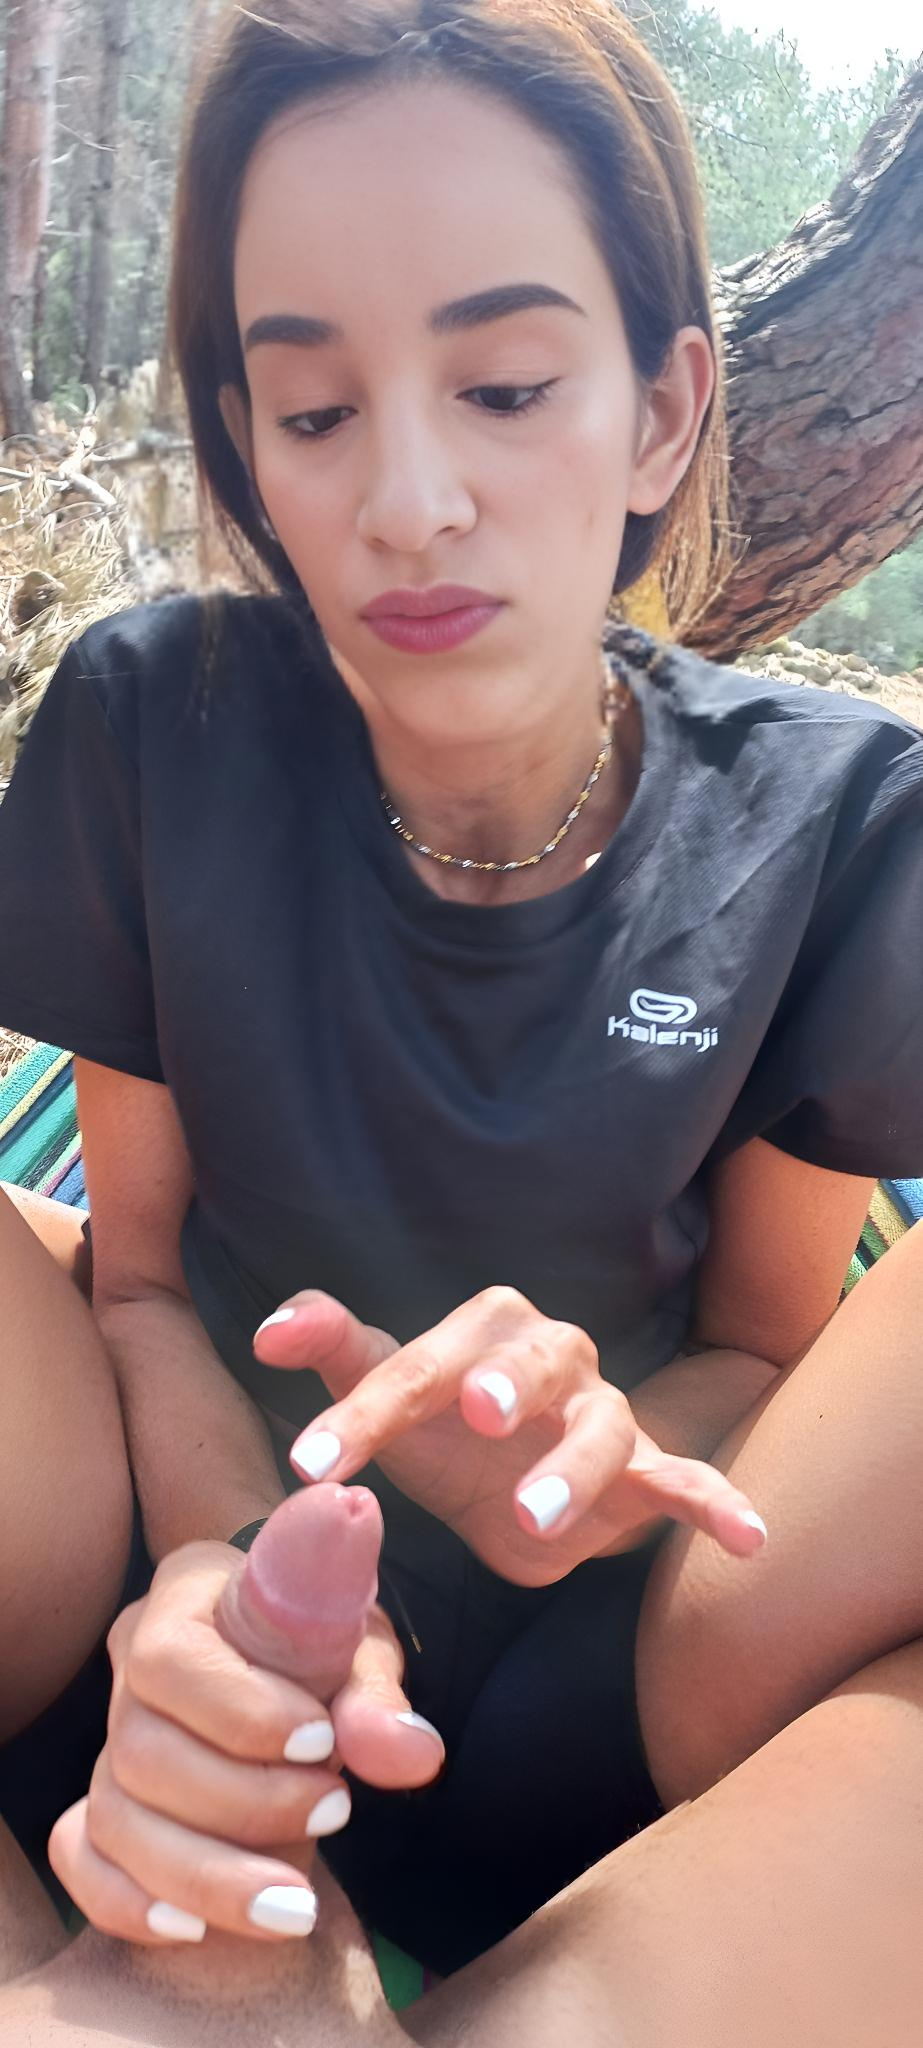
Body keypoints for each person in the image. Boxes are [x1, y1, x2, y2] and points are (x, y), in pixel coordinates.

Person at [0, 0, 922, 2040]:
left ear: (662, 410)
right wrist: (224, 1592)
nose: (409, 500)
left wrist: (598, 1448)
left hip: (634, 1664)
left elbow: (767, 1348)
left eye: (504, 386)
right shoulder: (153, 726)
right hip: (161, 1589)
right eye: (314, 410)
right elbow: (132, 1275)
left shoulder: (840, 825)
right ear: (246, 439)